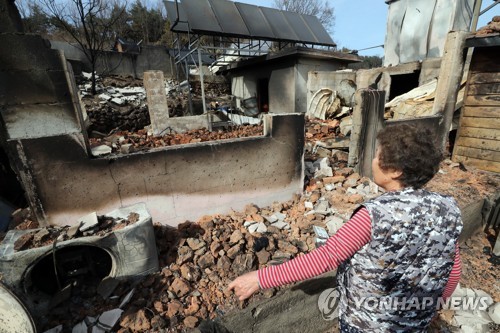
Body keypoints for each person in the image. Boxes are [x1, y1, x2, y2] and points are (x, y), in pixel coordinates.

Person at [228, 123, 462, 332]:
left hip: (367, 323)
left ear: (394, 171)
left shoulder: (373, 215)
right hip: (416, 321)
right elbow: (453, 268)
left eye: (378, 155)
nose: (373, 160)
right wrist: (433, 306)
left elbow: (328, 257)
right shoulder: (449, 209)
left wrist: (261, 278)